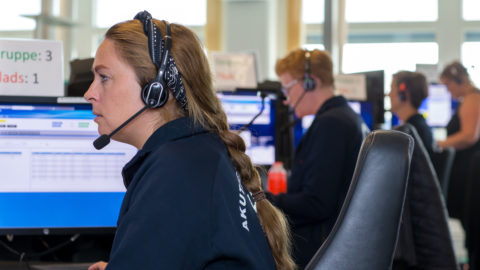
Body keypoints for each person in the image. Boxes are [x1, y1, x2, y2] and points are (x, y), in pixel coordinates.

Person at [85, 11, 295, 270]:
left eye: (104, 77)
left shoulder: (174, 173)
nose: (89, 93)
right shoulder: (196, 154)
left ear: (156, 90)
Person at [266, 49, 366, 268]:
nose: (286, 99)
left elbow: (317, 203)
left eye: (288, 88)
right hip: (327, 242)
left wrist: (264, 200)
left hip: (318, 249)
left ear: (311, 83)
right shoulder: (342, 117)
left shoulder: (332, 125)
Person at [438, 61, 480, 269]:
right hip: (467, 168)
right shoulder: (469, 99)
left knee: (471, 221)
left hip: (469, 171)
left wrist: (440, 144)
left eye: (448, 85)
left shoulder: (473, 99)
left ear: (458, 80)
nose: (448, 90)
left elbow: (470, 135)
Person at [389, 71, 433, 154]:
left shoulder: (409, 132)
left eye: (391, 89)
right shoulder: (419, 125)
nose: (389, 94)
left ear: (403, 94)